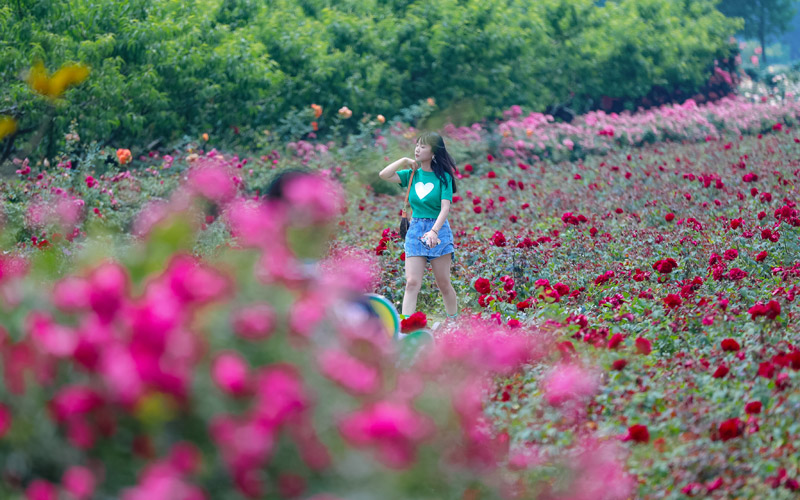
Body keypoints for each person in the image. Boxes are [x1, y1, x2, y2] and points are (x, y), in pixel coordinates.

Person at [378, 131, 459, 323]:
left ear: (433, 152)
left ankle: (453, 322)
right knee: (412, 282)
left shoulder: (444, 178)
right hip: (415, 230)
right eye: (417, 145)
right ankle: (407, 324)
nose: (417, 149)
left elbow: (445, 208)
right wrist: (404, 160)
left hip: (438, 231)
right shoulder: (411, 175)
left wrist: (434, 231)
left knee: (444, 283)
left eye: (423, 146)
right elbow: (384, 175)